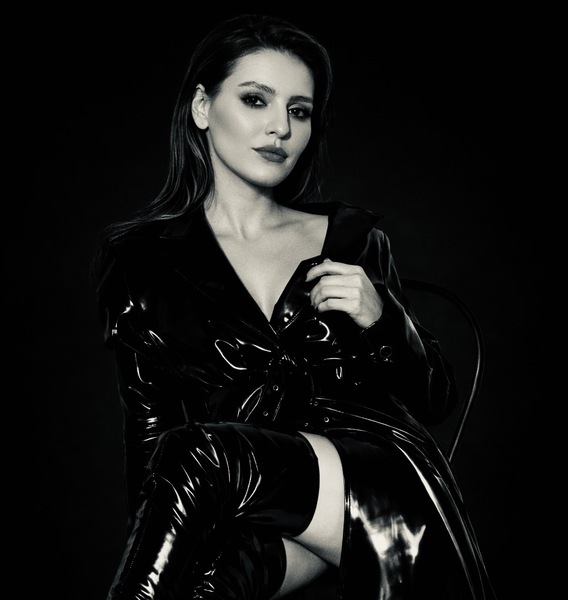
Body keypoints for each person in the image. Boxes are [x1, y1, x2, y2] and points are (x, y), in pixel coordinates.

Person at [94, 13, 497, 600]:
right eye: (256, 100)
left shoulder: (352, 239)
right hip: (265, 514)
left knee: (200, 452)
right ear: (202, 107)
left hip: (383, 491)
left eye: (299, 111)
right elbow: (151, 437)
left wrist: (382, 319)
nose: (279, 127)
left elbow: (433, 398)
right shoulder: (140, 263)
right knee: (201, 583)